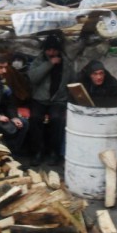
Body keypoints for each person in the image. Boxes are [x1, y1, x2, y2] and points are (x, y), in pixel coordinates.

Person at [27, 33, 75, 166]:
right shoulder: (39, 60)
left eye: (54, 50)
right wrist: (49, 64)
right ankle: (37, 152)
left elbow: (72, 81)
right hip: (39, 99)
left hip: (58, 100)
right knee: (35, 118)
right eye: (48, 50)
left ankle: (54, 152)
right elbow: (33, 77)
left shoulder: (66, 63)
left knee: (57, 119)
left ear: (59, 50)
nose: (51, 52)